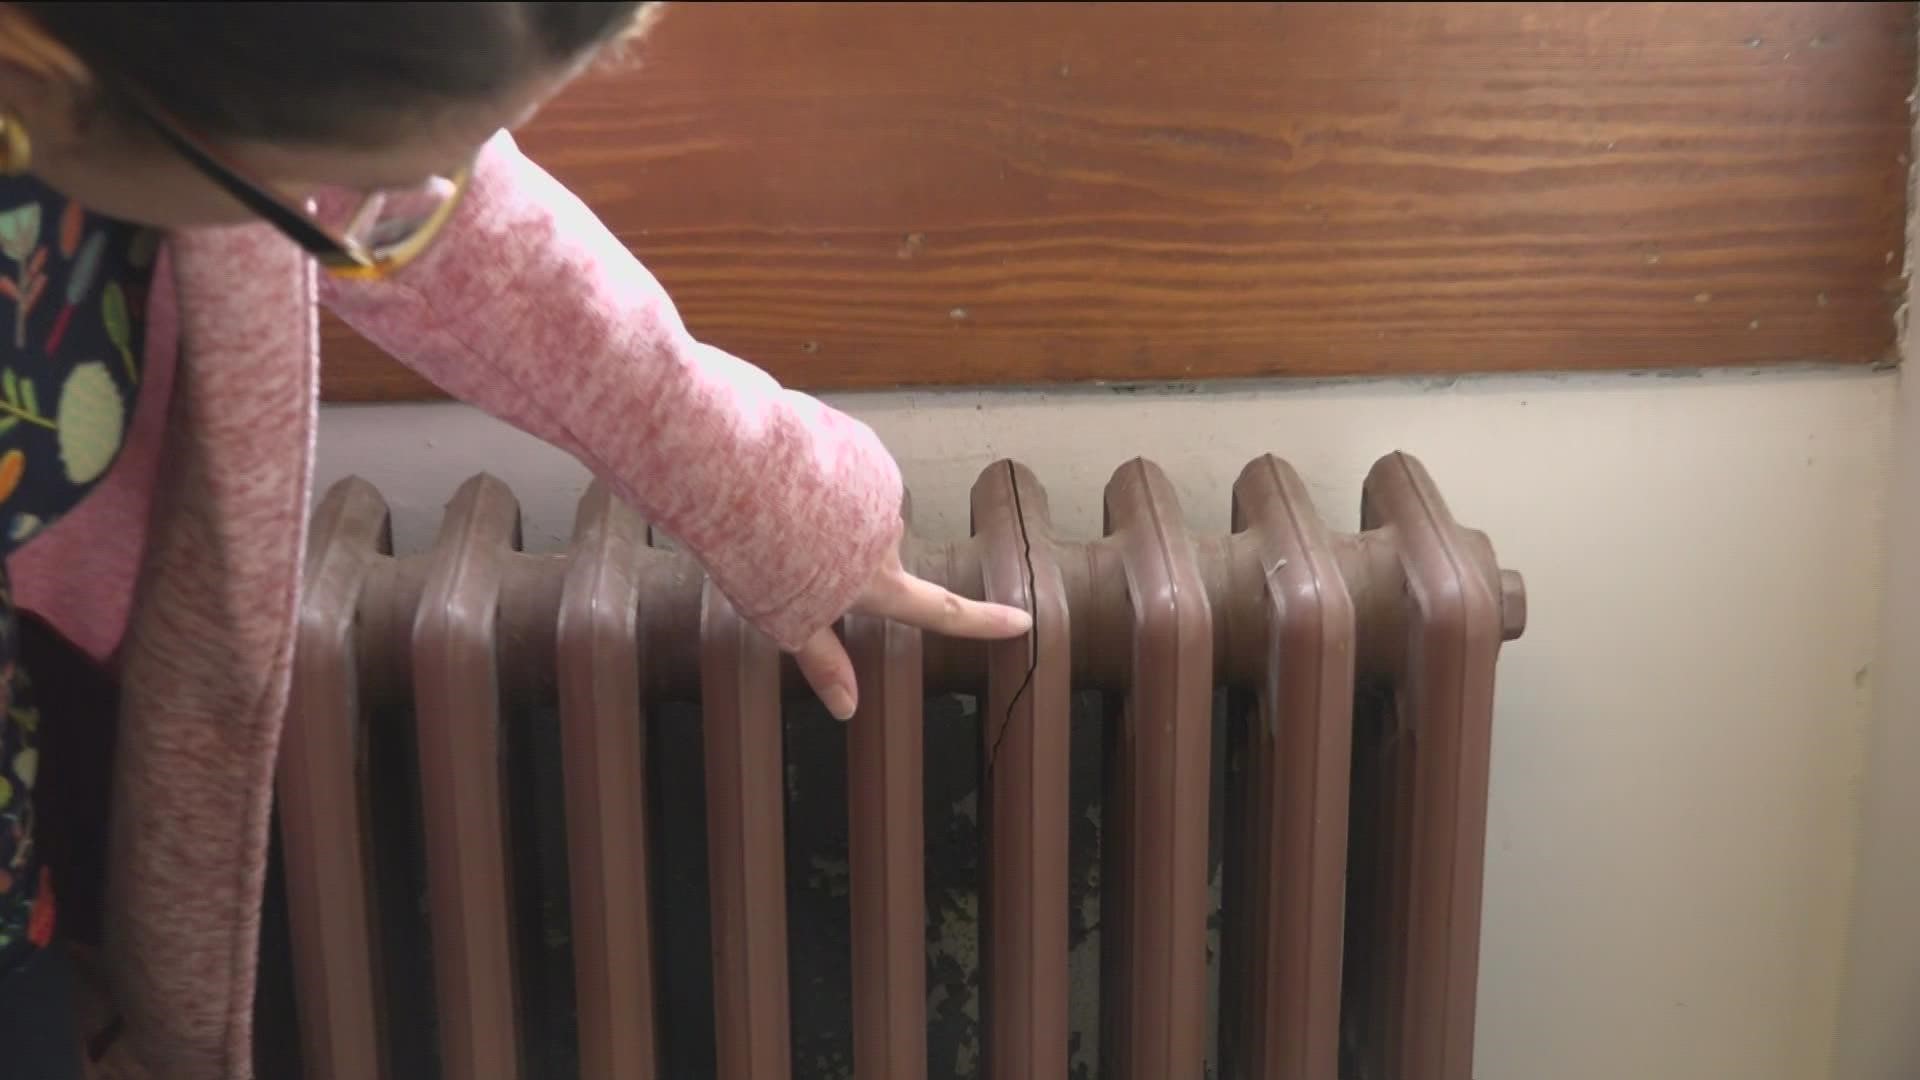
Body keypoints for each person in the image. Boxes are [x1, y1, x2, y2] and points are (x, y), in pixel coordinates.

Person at [0, 3, 1033, 1076]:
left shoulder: (204, 80)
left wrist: (774, 493)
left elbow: (462, 230)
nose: (366, 215)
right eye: (316, 203)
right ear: (59, 90)